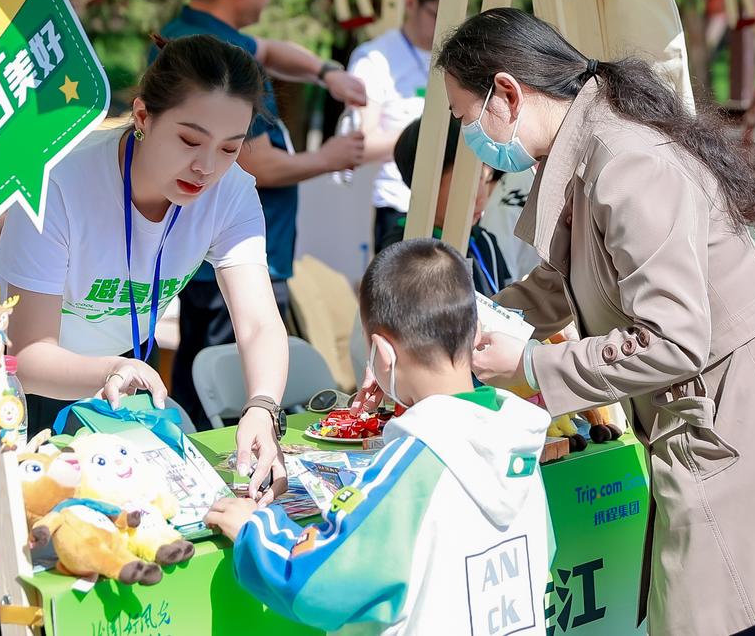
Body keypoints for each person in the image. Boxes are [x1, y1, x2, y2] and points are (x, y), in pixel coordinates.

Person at [415, 7, 755, 636]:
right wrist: (474, 323)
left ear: (506, 92)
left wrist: (530, 364)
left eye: (465, 117)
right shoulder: (596, 140)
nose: (470, 136)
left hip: (740, 438)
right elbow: (571, 278)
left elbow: (672, 338)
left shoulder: (625, 159)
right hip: (716, 431)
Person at [0, 35, 291, 501]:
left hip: (122, 378)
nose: (206, 167)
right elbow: (29, 356)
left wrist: (262, 407)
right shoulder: (60, 182)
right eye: (190, 140)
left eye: (230, 148)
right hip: (20, 386)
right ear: (142, 116)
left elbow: (257, 323)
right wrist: (113, 369)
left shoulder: (230, 192)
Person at [206, 238, 552, 634]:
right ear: (474, 333)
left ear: (382, 354)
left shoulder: (413, 466)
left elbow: (317, 581)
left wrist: (256, 529)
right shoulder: (520, 440)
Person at [154, 0, 367, 429]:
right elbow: (255, 163)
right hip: (226, 264)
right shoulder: (225, 64)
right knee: (223, 398)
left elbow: (269, 49)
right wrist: (330, 157)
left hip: (198, 259)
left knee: (200, 382)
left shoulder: (193, 36)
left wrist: (324, 71)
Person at [346, 0, 444, 252]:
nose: (444, 24)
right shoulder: (374, 58)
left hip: (451, 206)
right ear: (411, 3)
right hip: (398, 206)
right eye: (436, 13)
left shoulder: (456, 57)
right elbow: (361, 145)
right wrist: (431, 134)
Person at [386, 115, 513, 297]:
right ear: (427, 179)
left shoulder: (484, 241)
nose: (481, 196)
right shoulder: (403, 247)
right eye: (469, 180)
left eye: (487, 178)